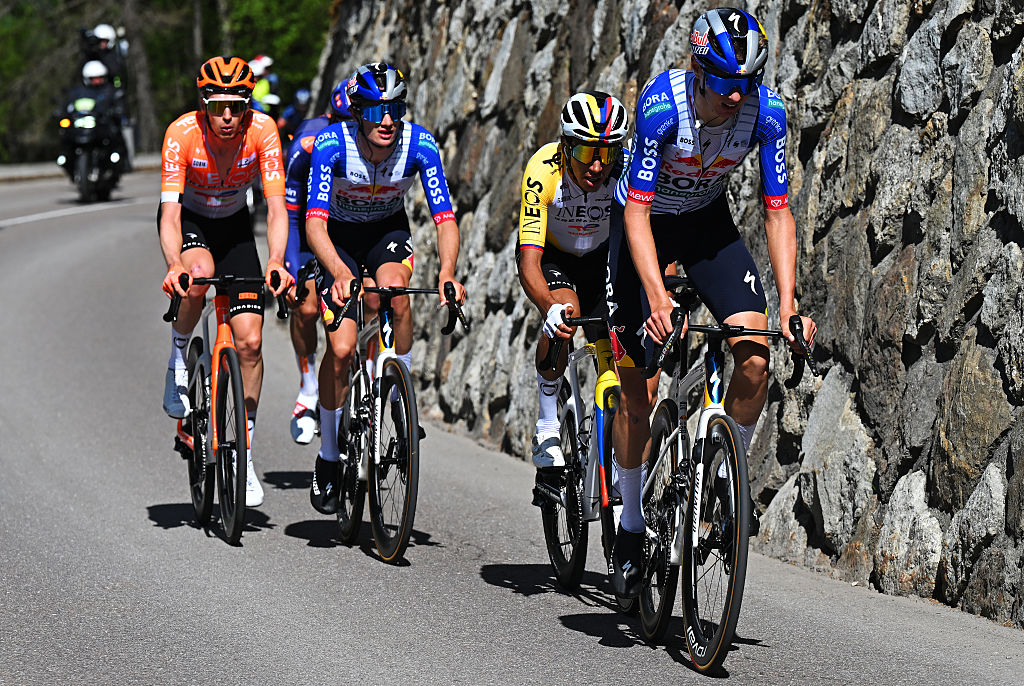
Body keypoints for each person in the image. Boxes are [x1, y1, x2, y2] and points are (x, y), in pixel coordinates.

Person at [605, 7, 817, 598]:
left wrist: (789, 302)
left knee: (754, 356)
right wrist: (654, 293)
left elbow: (777, 211)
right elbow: (637, 211)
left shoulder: (765, 113)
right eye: (726, 83)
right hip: (644, 232)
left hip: (706, 226)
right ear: (699, 71)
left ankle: (723, 478)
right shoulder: (660, 108)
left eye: (747, 83)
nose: (736, 96)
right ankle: (628, 521)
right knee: (638, 393)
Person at [304, 62, 466, 515]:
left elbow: (445, 220)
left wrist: (448, 271)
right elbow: (313, 225)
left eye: (395, 108)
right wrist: (337, 271)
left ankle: (398, 388)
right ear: (358, 113)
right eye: (377, 111)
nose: (388, 120)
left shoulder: (419, 144)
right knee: (339, 351)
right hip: (336, 236)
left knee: (393, 291)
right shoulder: (332, 146)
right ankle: (329, 452)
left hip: (385, 232)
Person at [159, 55, 294, 508]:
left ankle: (243, 455)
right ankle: (179, 355)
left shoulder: (263, 130)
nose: (229, 116)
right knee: (196, 278)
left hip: (236, 227)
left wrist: (276, 259)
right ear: (204, 103)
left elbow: (276, 208)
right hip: (193, 222)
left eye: (238, 105)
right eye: (219, 106)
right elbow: (171, 212)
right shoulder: (181, 134)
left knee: (251, 343)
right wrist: (174, 262)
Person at [516, 91, 629, 470]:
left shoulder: (625, 169)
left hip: (602, 257)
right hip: (556, 257)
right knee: (566, 313)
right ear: (566, 146)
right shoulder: (543, 169)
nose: (598, 166)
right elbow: (529, 261)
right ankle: (547, 424)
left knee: (615, 344)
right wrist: (548, 307)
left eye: (608, 152)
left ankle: (617, 453)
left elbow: (651, 231)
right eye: (586, 153)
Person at [281, 78, 353, 445]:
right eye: (339, 120)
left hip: (351, 230)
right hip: (312, 228)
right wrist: (291, 267)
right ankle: (309, 385)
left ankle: (371, 374)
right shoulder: (309, 142)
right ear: (330, 116)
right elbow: (291, 212)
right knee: (306, 308)